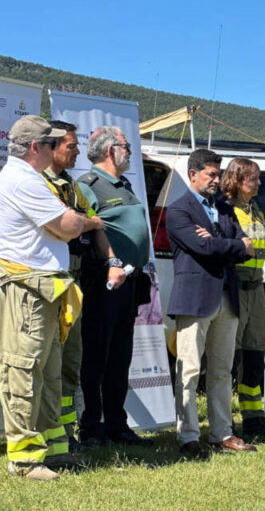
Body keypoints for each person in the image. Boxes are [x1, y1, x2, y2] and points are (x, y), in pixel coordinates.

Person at [0, 115, 83, 480]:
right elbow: (69, 227)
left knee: (48, 373)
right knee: (23, 370)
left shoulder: (27, 178)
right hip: (29, 289)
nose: (58, 150)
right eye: (53, 144)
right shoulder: (22, 180)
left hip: (45, 286)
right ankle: (24, 459)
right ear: (36, 148)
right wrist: (76, 219)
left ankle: (53, 449)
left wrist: (73, 217)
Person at [166, 149, 258, 459]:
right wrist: (228, 245)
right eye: (211, 175)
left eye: (218, 175)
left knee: (222, 371)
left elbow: (248, 247)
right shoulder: (178, 211)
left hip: (227, 300)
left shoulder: (224, 209)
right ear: (193, 175)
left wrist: (223, 244)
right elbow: (203, 246)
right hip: (194, 301)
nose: (217, 180)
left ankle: (222, 433)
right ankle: (189, 436)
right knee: (189, 371)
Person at [42, 121, 126, 451]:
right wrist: (84, 223)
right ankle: (42, 434)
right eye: (71, 145)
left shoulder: (73, 187)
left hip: (74, 285)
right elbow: (68, 226)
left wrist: (112, 261)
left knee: (69, 363)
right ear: (50, 147)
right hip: (46, 282)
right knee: (42, 363)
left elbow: (95, 225)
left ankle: (65, 435)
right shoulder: (37, 184)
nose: (77, 151)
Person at [78, 126, 152, 447]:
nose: (130, 153)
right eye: (127, 147)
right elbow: (88, 230)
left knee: (120, 358)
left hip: (129, 284)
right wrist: (111, 264)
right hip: (103, 284)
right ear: (111, 151)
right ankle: (92, 426)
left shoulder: (125, 184)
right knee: (96, 357)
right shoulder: (88, 185)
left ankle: (117, 424)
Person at [220, 158, 265, 440]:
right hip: (233, 289)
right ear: (236, 179)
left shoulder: (255, 211)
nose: (257, 183)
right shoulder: (226, 210)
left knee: (255, 356)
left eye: (257, 178)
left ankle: (254, 421)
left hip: (256, 290)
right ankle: (225, 424)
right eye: (252, 178)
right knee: (228, 358)